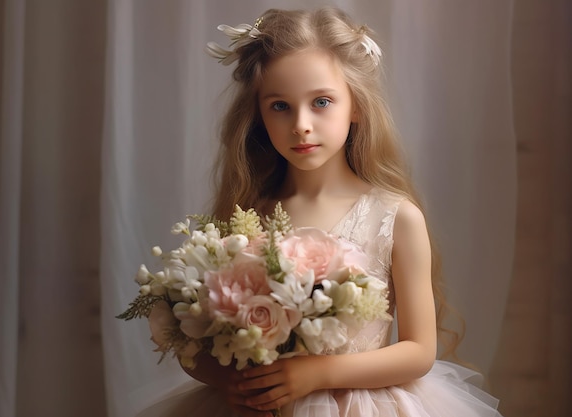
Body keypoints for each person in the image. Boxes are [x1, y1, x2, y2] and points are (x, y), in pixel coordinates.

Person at [138, 7, 503, 417]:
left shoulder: (395, 217)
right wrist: (229, 381)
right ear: (258, 114)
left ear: (357, 106)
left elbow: (418, 351)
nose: (301, 124)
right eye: (280, 106)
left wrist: (317, 374)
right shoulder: (250, 213)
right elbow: (197, 340)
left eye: (322, 102)